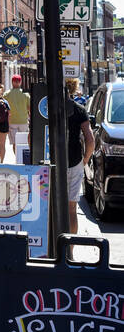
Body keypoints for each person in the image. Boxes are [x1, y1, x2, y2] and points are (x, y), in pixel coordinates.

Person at [65, 76, 94, 234]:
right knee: (71, 210)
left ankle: (53, 248)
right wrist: (85, 159)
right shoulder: (79, 109)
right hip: (74, 160)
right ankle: (70, 250)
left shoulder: (47, 107)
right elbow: (90, 139)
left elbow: (31, 137)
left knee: (50, 207)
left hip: (52, 161)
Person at [5, 74, 30, 156]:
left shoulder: (6, 94)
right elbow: (29, 108)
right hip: (23, 121)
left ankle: (17, 157)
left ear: (12, 82)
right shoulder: (26, 94)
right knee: (24, 141)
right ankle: (22, 158)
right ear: (20, 82)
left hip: (12, 122)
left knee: (15, 143)